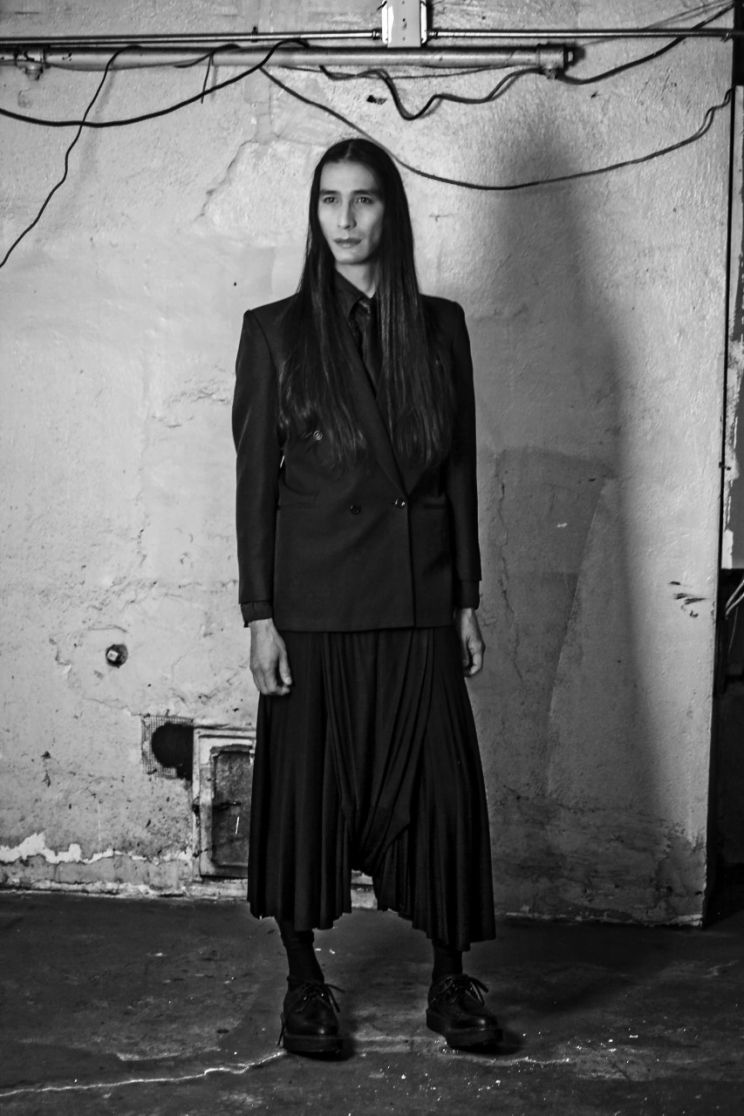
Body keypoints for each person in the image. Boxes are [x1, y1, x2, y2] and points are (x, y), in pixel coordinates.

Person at [232, 137, 499, 1056]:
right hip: (315, 605)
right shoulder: (277, 332)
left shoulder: (439, 326)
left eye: (364, 200)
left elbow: (459, 471)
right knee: (306, 797)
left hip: (417, 594)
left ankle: (450, 979)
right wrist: (259, 614)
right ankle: (304, 983)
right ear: (314, 215)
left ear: (392, 212)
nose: (345, 220)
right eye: (329, 200)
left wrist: (466, 595)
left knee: (443, 794)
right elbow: (254, 489)